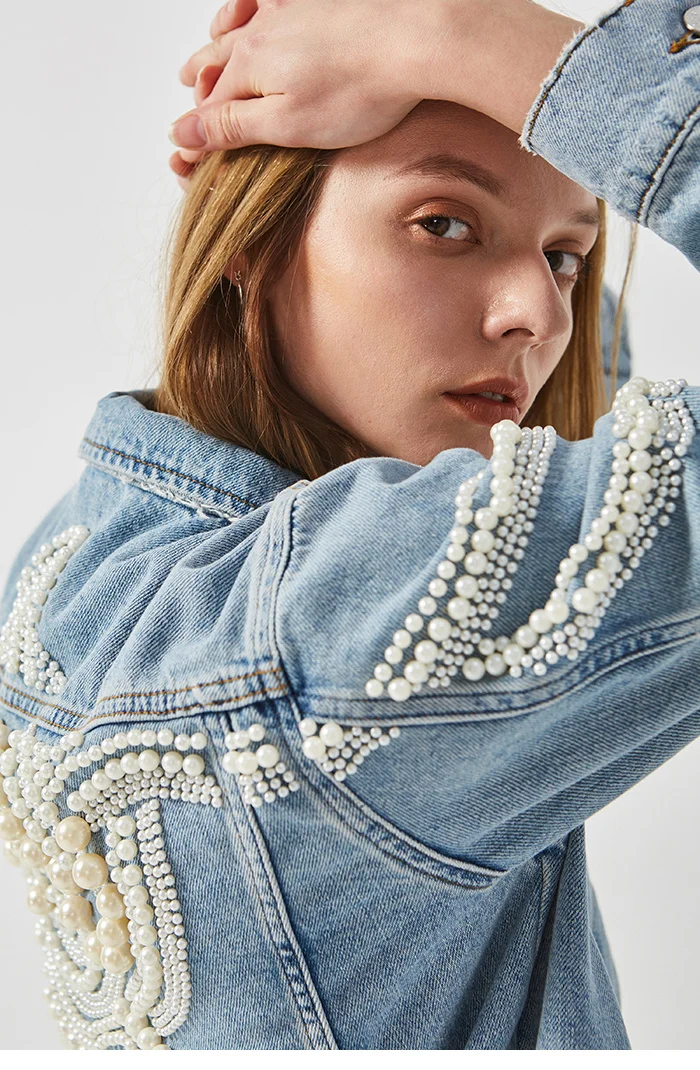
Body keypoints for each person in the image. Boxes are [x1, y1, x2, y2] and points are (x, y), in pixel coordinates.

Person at [0, 0, 697, 1051]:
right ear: (252, 238)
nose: (541, 316)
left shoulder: (86, 560)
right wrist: (451, 37)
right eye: (442, 224)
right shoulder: (354, 626)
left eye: (565, 256)